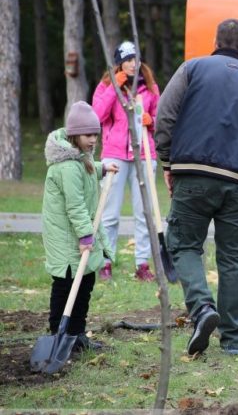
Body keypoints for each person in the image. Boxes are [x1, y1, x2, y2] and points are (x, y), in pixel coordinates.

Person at [155, 18, 238, 355]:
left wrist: (168, 162)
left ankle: (201, 308)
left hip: (192, 173)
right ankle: (234, 340)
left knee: (183, 244)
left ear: (215, 41)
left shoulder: (191, 69)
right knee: (231, 260)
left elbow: (164, 118)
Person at [42, 101, 118, 353]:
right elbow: (75, 206)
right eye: (88, 135)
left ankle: (76, 334)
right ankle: (57, 336)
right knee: (65, 287)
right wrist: (86, 234)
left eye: (96, 134)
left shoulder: (80, 158)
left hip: (78, 236)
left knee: (85, 285)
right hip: (66, 239)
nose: (93, 140)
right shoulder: (65, 166)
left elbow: (85, 171)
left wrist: (101, 168)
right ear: (74, 135)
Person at [92, 41, 160, 282]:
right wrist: (114, 87)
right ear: (119, 62)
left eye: (136, 59)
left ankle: (142, 264)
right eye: (128, 60)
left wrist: (151, 120)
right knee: (109, 214)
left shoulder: (149, 86)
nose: (133, 64)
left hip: (143, 155)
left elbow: (162, 117)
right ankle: (105, 262)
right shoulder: (107, 84)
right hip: (115, 155)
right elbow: (96, 116)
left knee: (144, 214)